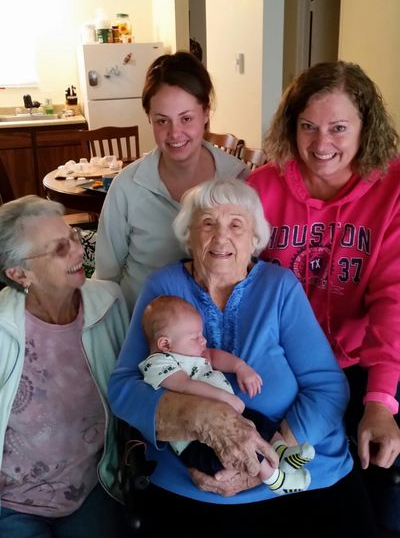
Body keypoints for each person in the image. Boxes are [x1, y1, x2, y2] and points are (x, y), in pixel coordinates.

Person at [109, 178, 377, 537]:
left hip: (303, 475)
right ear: (189, 234)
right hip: (193, 480)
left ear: (254, 239)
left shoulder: (279, 287)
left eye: (236, 224)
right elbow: (124, 389)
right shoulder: (163, 289)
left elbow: (327, 387)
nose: (221, 237)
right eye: (207, 223)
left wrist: (271, 453)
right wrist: (198, 417)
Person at [247, 60, 400, 532]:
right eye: (308, 127)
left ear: (365, 127)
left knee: (370, 497)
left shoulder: (392, 190)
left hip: (361, 367)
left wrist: (379, 400)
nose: (320, 144)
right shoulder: (261, 188)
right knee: (282, 494)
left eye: (338, 127)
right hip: (279, 370)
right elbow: (235, 282)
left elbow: (392, 297)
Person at [0, 195, 129, 538]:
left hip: (92, 486)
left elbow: (130, 383)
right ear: (19, 273)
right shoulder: (2, 327)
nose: (77, 251)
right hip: (13, 500)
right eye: (59, 249)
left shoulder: (109, 303)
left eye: (73, 237)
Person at [94, 51, 248, 312]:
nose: (175, 133)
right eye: (162, 121)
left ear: (206, 112)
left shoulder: (238, 180)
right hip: (142, 332)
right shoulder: (127, 187)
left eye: (186, 118)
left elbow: (252, 269)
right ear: (149, 118)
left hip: (219, 335)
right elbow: (107, 279)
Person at [140, 294, 315, 494]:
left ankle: (282, 452)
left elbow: (213, 355)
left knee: (261, 423)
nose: (203, 340)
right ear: (165, 344)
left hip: (231, 415)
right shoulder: (158, 364)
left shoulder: (190, 352)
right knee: (244, 447)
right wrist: (222, 398)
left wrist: (240, 367)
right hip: (196, 443)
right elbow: (184, 385)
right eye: (195, 337)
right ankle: (277, 481)